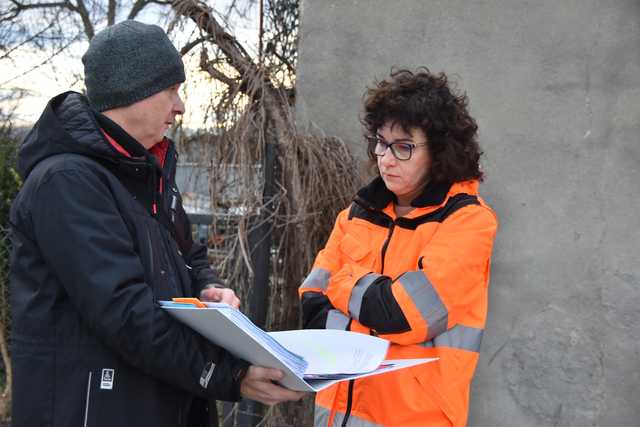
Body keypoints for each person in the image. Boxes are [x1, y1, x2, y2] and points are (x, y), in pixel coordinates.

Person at [9, 20, 303, 427]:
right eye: (172, 91)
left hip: (154, 399)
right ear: (135, 92)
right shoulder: (67, 183)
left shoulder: (143, 171)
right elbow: (125, 312)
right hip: (92, 409)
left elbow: (188, 254)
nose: (179, 107)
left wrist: (209, 287)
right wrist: (227, 374)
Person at [299, 68, 498, 427]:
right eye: (381, 142)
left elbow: (405, 315)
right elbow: (312, 303)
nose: (386, 158)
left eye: (403, 147)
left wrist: (344, 285)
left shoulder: (469, 221)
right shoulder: (357, 213)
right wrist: (374, 305)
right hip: (335, 417)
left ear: (439, 151)